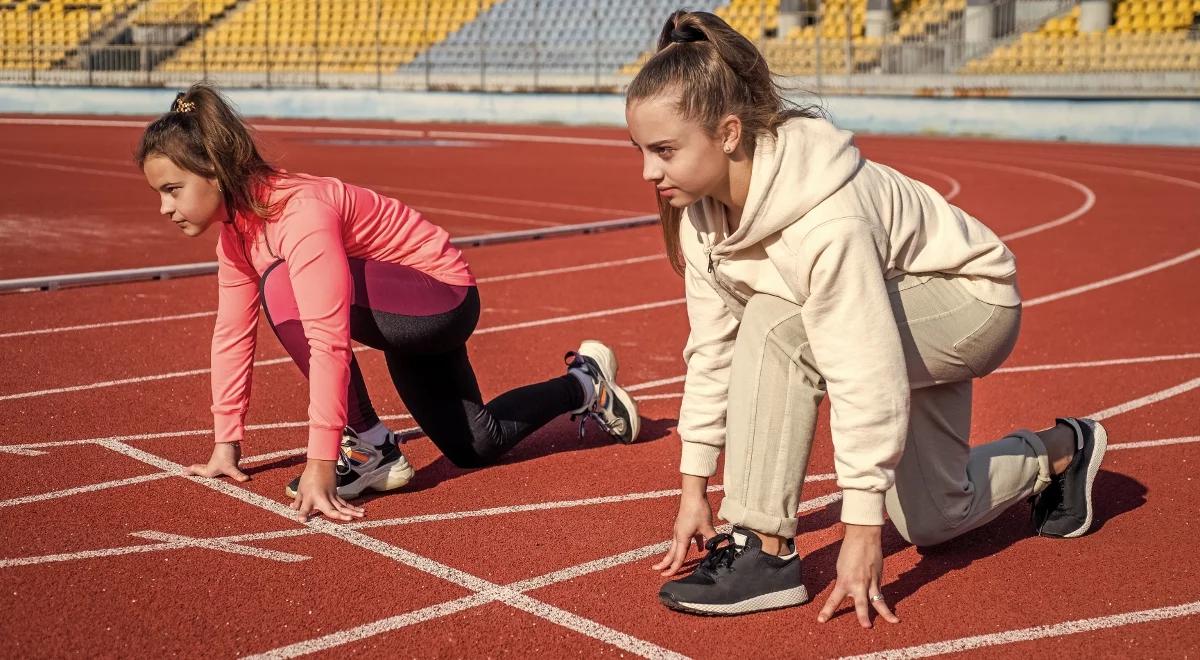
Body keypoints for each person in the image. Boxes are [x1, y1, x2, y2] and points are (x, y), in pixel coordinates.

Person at [625, 11, 1107, 623]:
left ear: (727, 133)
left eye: (665, 151)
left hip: (969, 304)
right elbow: (712, 349)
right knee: (936, 518)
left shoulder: (828, 219)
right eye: (642, 151)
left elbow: (861, 364)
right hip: (895, 300)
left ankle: (763, 551)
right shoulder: (701, 218)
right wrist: (693, 486)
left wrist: (861, 528)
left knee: (779, 325)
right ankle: (1064, 449)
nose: (649, 172)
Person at [137, 84, 641, 523]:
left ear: (215, 172)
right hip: (402, 316)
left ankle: (371, 446)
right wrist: (226, 443)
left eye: (173, 190)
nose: (164, 207)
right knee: (476, 444)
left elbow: (327, 338)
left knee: (283, 285)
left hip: (440, 296)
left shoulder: (298, 213)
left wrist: (321, 461)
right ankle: (585, 384)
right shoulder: (236, 236)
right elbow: (232, 334)